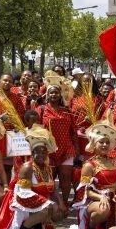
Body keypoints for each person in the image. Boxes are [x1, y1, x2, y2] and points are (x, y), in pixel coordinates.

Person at [0, 125, 67, 229]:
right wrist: (46, 202)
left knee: (59, 213)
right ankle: (23, 228)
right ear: (32, 153)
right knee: (48, 208)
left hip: (38, 202)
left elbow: (53, 190)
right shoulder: (27, 168)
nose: (41, 155)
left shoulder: (47, 168)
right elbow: (23, 193)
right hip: (21, 203)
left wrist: (61, 204)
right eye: (37, 152)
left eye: (43, 152)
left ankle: (37, 225)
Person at [69, 122, 116, 229]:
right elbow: (84, 191)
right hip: (93, 200)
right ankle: (91, 227)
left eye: (107, 142)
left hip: (113, 197)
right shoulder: (89, 165)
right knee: (104, 209)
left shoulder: (115, 162)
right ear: (94, 144)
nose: (104, 145)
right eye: (101, 142)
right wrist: (101, 197)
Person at [34, 73, 77, 204]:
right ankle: (50, 203)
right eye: (51, 93)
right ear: (47, 94)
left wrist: (77, 148)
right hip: (47, 150)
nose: (54, 95)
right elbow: (35, 129)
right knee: (49, 177)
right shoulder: (41, 110)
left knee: (66, 178)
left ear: (60, 95)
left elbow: (73, 132)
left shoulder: (67, 111)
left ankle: (64, 203)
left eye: (56, 93)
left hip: (67, 148)